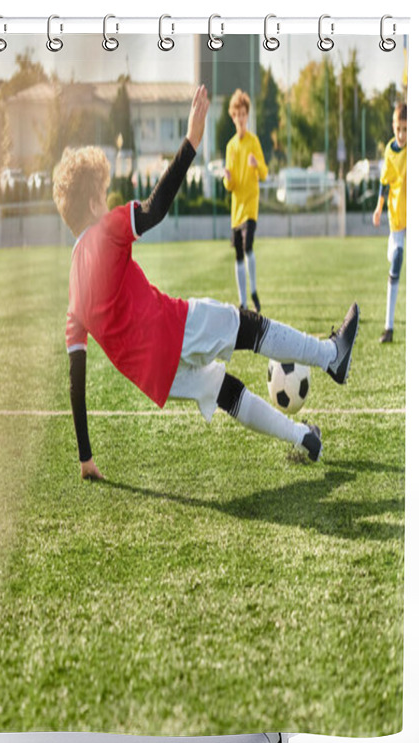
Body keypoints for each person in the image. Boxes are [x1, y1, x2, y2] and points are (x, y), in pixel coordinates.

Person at [52, 85, 359, 481]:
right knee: (248, 326)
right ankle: (330, 355)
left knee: (226, 392)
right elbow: (153, 208)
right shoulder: (106, 230)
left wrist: (86, 457)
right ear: (94, 204)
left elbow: (76, 379)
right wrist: (191, 142)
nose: (108, 200)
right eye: (103, 194)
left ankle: (304, 438)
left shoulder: (73, 299)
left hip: (156, 377)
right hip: (174, 326)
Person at [223, 89, 267, 313]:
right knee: (238, 253)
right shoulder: (230, 146)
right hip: (236, 209)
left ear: (247, 116)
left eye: (243, 114)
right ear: (232, 117)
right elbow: (229, 185)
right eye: (236, 114)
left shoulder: (254, 142)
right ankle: (242, 302)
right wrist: (227, 179)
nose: (240, 118)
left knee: (247, 245)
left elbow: (265, 173)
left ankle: (254, 290)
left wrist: (256, 165)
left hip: (250, 206)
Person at [372, 102, 407, 343]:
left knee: (398, 259)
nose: (402, 134)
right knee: (393, 263)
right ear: (393, 127)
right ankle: (389, 326)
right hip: (396, 217)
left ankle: (389, 326)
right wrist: (378, 207)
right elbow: (385, 182)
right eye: (398, 129)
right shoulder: (389, 151)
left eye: (406, 129)